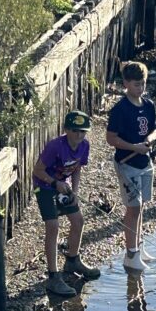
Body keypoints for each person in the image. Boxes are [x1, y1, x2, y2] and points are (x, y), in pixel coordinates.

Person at [33, 109, 101, 296]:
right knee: (53, 226)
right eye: (75, 130)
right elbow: (38, 170)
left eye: (83, 131)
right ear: (67, 130)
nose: (79, 135)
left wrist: (76, 191)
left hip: (65, 185)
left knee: (78, 221)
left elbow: (77, 168)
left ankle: (72, 260)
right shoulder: (55, 146)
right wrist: (56, 183)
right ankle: (53, 276)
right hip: (45, 186)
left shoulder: (84, 145)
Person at [106, 61, 156, 271]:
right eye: (137, 84)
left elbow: (155, 130)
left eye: (143, 83)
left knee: (142, 206)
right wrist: (133, 147)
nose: (141, 88)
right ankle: (130, 254)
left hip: (146, 162)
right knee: (133, 207)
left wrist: (149, 139)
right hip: (127, 164)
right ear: (126, 84)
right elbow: (111, 139)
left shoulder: (149, 105)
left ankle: (139, 246)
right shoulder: (120, 109)